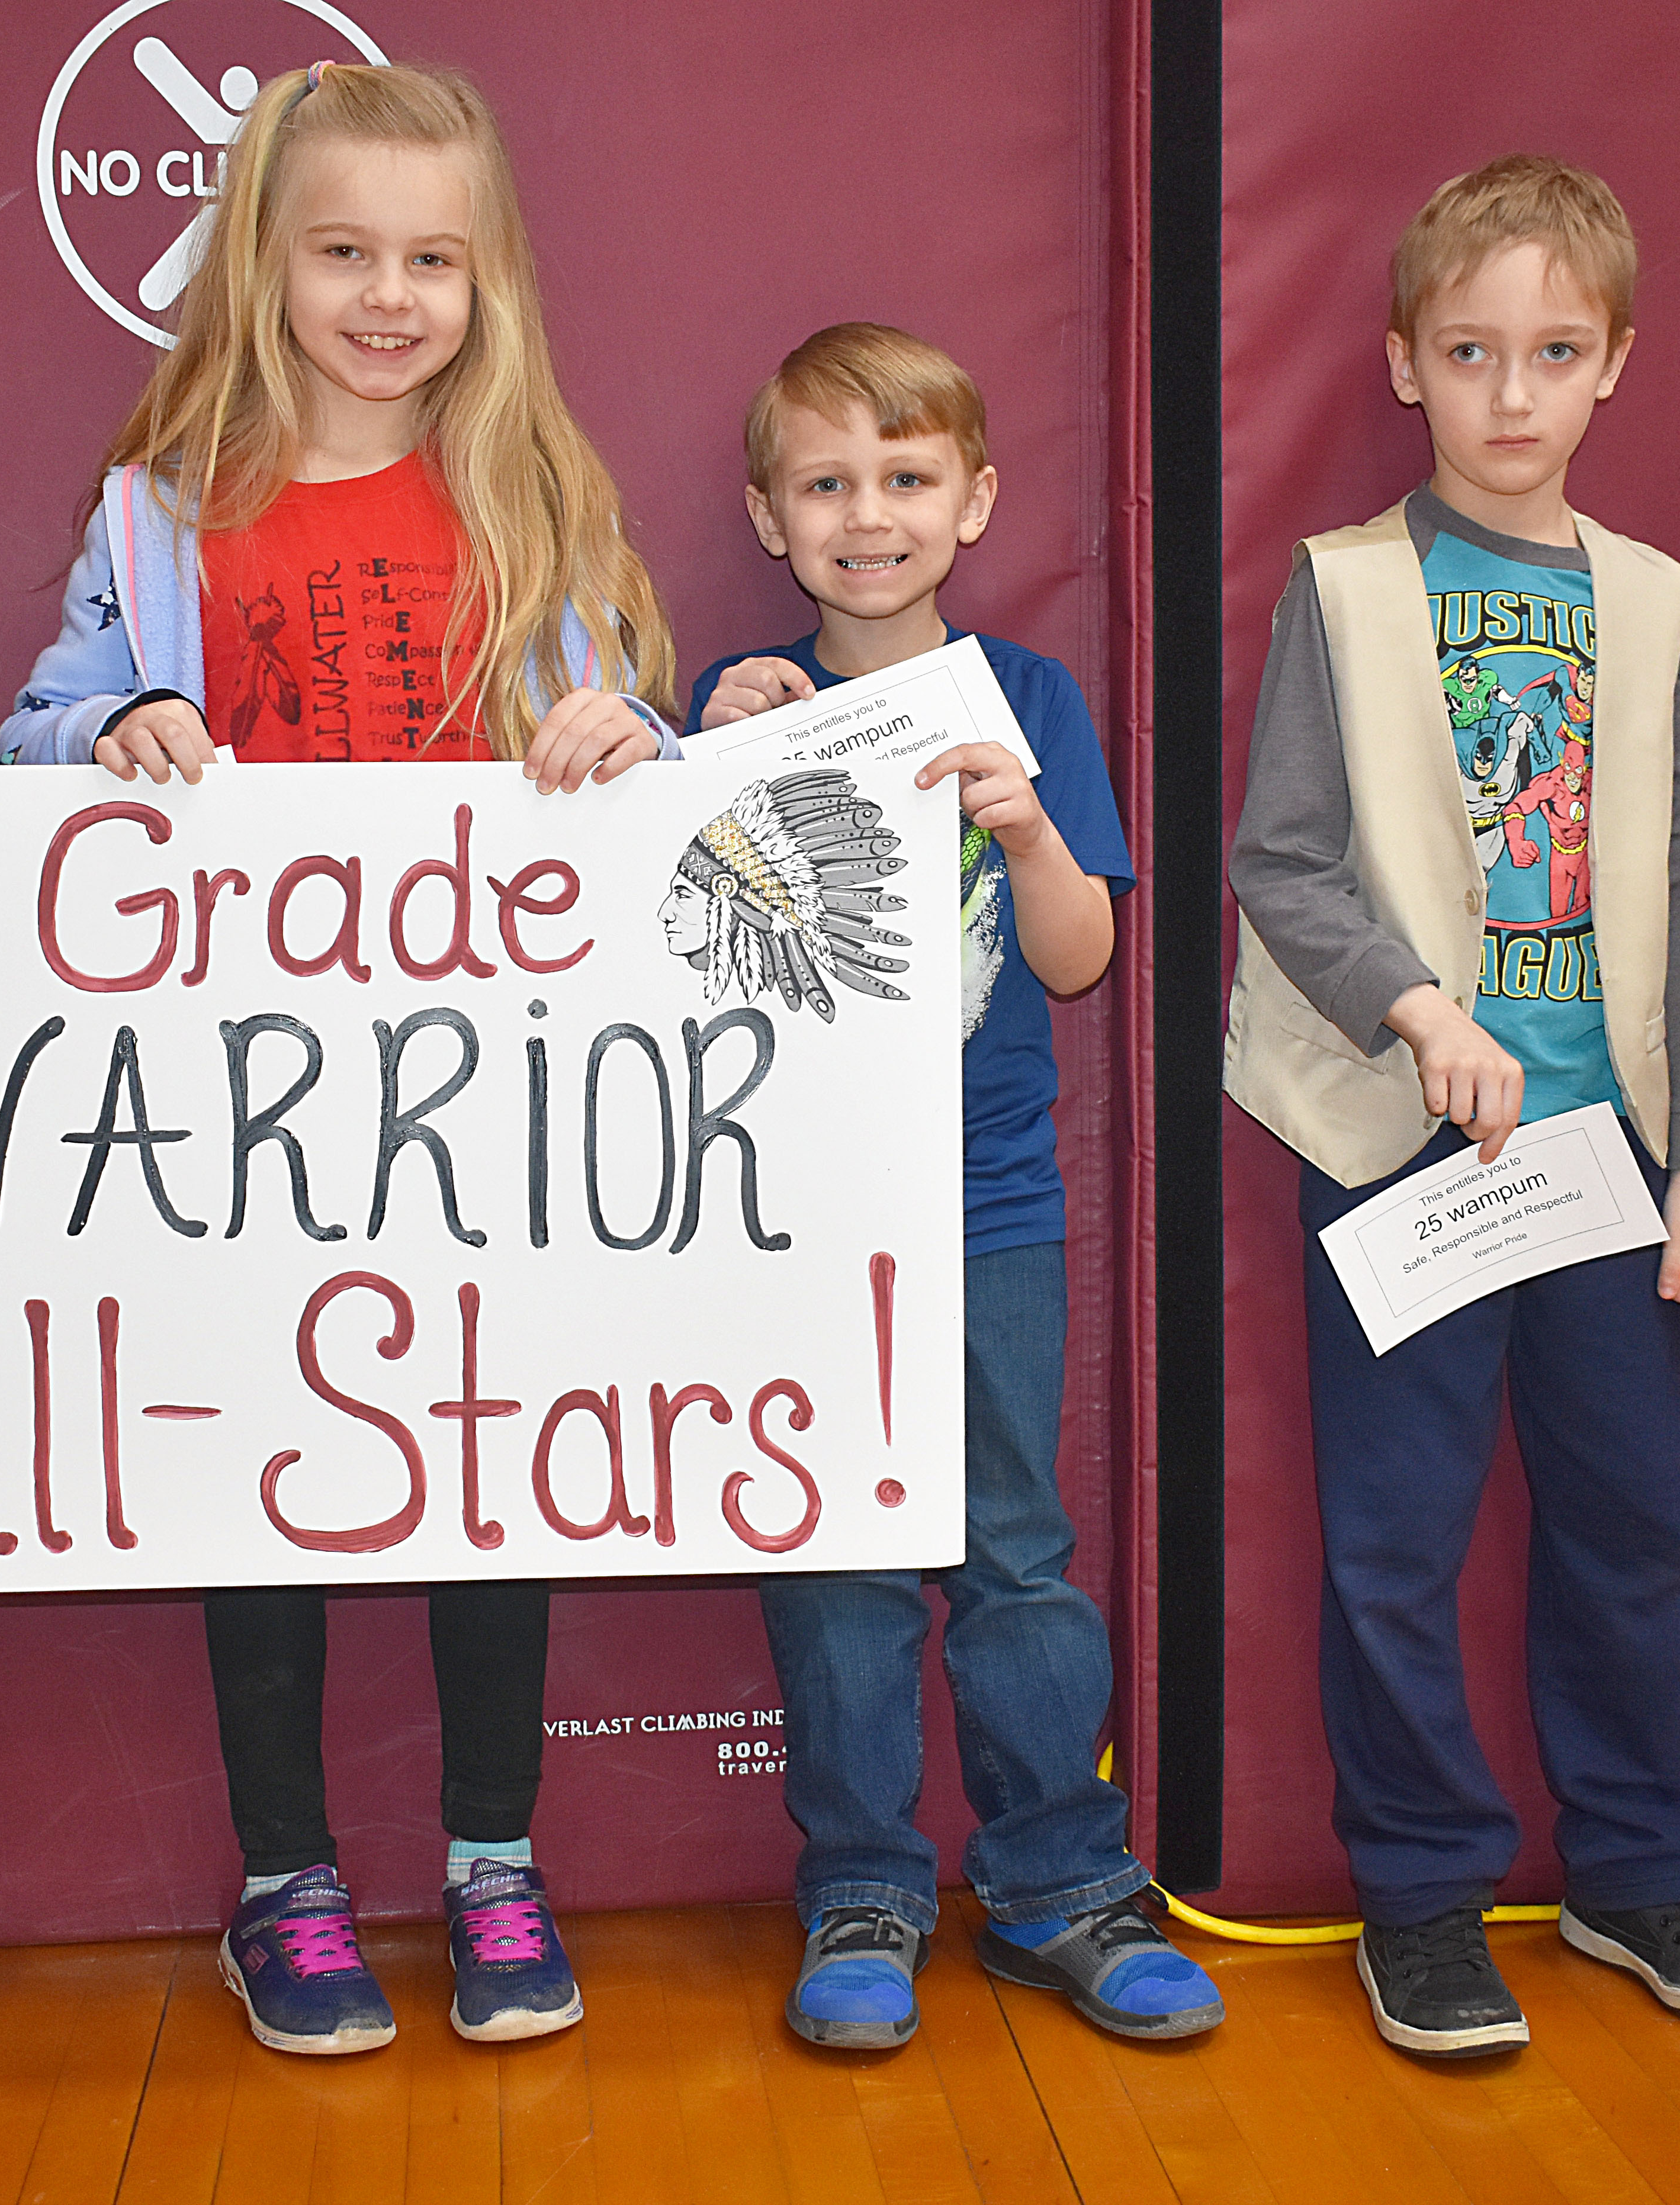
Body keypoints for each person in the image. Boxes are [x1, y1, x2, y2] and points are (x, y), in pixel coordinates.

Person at [0, 61, 676, 2054]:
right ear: (260, 262)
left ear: (491, 282)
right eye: (346, 253)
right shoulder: (158, 506)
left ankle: (490, 1858)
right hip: (244, 1098)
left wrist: (623, 735)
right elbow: (41, 724)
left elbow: (616, 750)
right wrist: (105, 736)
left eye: (433, 260)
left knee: (488, 1473)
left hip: (485, 1097)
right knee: (256, 1478)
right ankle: (287, 1878)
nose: (390, 296)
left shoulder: (533, 495)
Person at [1225, 157, 1680, 2058]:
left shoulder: (1654, 603)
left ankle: (1642, 1872)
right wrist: (1415, 1010)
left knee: (1641, 1530)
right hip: (1401, 1153)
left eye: (1555, 352)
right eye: (1470, 352)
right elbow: (1287, 857)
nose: (1511, 394)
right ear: (1405, 363)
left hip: (1614, 1155)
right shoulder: (1349, 586)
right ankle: (1420, 1898)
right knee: (1395, 1539)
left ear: (1615, 364)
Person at [688, 322, 1224, 2049]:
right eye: (828, 483)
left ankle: (1062, 1881)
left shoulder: (1033, 700)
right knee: (835, 1543)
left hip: (985, 1203)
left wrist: (1026, 828)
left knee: (1014, 1549)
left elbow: (1079, 961)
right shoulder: (742, 704)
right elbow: (679, 961)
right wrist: (702, 753)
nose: (869, 515)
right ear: (770, 516)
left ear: (974, 499)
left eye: (906, 478)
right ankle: (862, 1881)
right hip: (795, 1213)